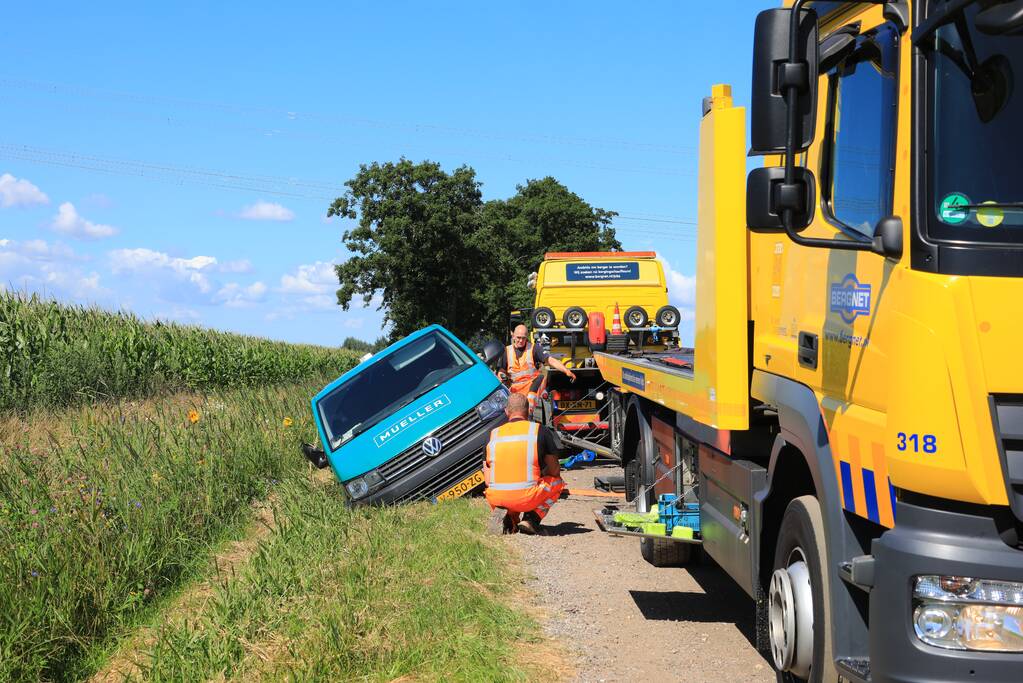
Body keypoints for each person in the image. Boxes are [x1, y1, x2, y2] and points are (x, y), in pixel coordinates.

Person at [483, 393, 566, 535]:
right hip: (526, 498)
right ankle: (531, 519)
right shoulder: (539, 430)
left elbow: (487, 479)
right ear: (528, 411)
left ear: (506, 411)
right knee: (557, 483)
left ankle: (510, 519)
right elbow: (554, 470)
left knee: (506, 491)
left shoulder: (493, 434)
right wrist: (542, 476)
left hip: (495, 496)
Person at [495, 324, 576, 412]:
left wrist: (566, 371)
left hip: (533, 389)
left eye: (523, 338)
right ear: (513, 335)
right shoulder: (506, 351)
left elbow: (550, 360)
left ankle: (531, 410)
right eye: (518, 337)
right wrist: (501, 376)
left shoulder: (534, 348)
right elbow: (501, 371)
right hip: (515, 391)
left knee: (540, 379)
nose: (521, 340)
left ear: (527, 337)